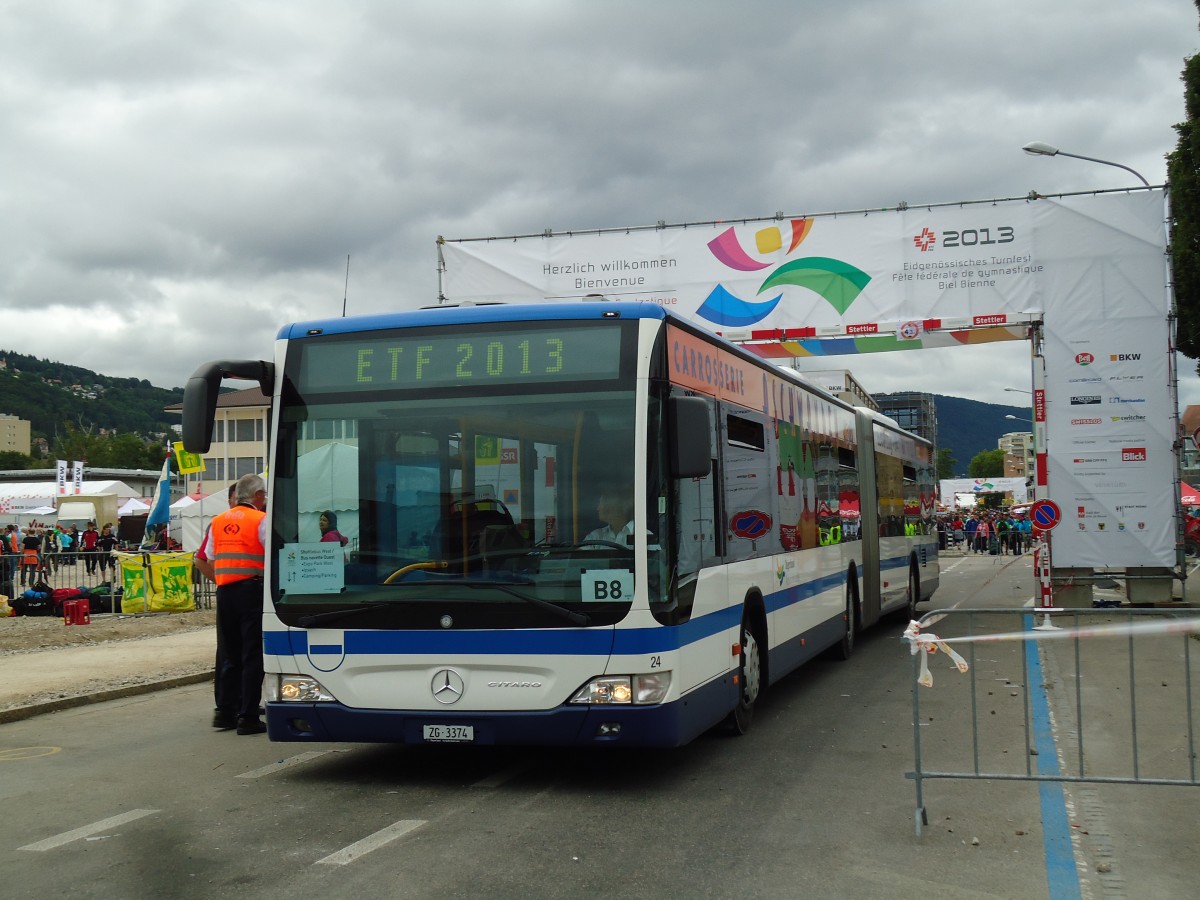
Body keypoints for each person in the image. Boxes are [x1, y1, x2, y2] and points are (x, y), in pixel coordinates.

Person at [200, 474, 269, 735]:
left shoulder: (218, 521)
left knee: (230, 653)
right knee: (252, 654)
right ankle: (248, 716)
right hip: (252, 591)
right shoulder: (261, 520)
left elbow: (208, 557)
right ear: (258, 495)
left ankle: (225, 712)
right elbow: (272, 553)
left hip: (225, 591)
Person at [194, 484, 238, 720]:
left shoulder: (260, 520)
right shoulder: (220, 523)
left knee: (244, 651)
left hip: (247, 594)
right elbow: (200, 561)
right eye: (234, 498)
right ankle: (227, 706)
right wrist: (222, 581)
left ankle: (241, 703)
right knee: (230, 650)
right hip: (233, 593)